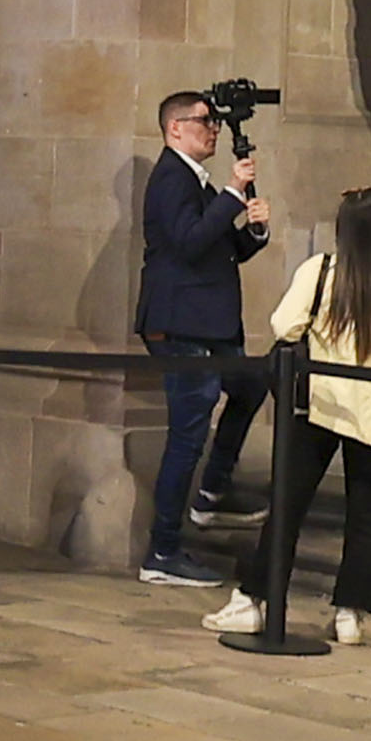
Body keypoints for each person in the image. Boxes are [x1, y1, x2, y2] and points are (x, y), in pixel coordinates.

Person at [220, 186, 371, 641]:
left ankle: (258, 600)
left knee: (288, 506)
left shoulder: (319, 274)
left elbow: (284, 325)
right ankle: (350, 614)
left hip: (316, 405)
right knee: (364, 515)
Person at [131, 89, 270, 587]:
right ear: (175, 129)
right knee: (188, 434)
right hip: (180, 322)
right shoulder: (171, 177)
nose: (213, 129)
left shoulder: (194, 180)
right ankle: (163, 551)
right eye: (203, 121)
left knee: (252, 385)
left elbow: (218, 246)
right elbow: (189, 243)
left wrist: (251, 232)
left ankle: (213, 493)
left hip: (208, 322)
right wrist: (233, 193)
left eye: (213, 122)